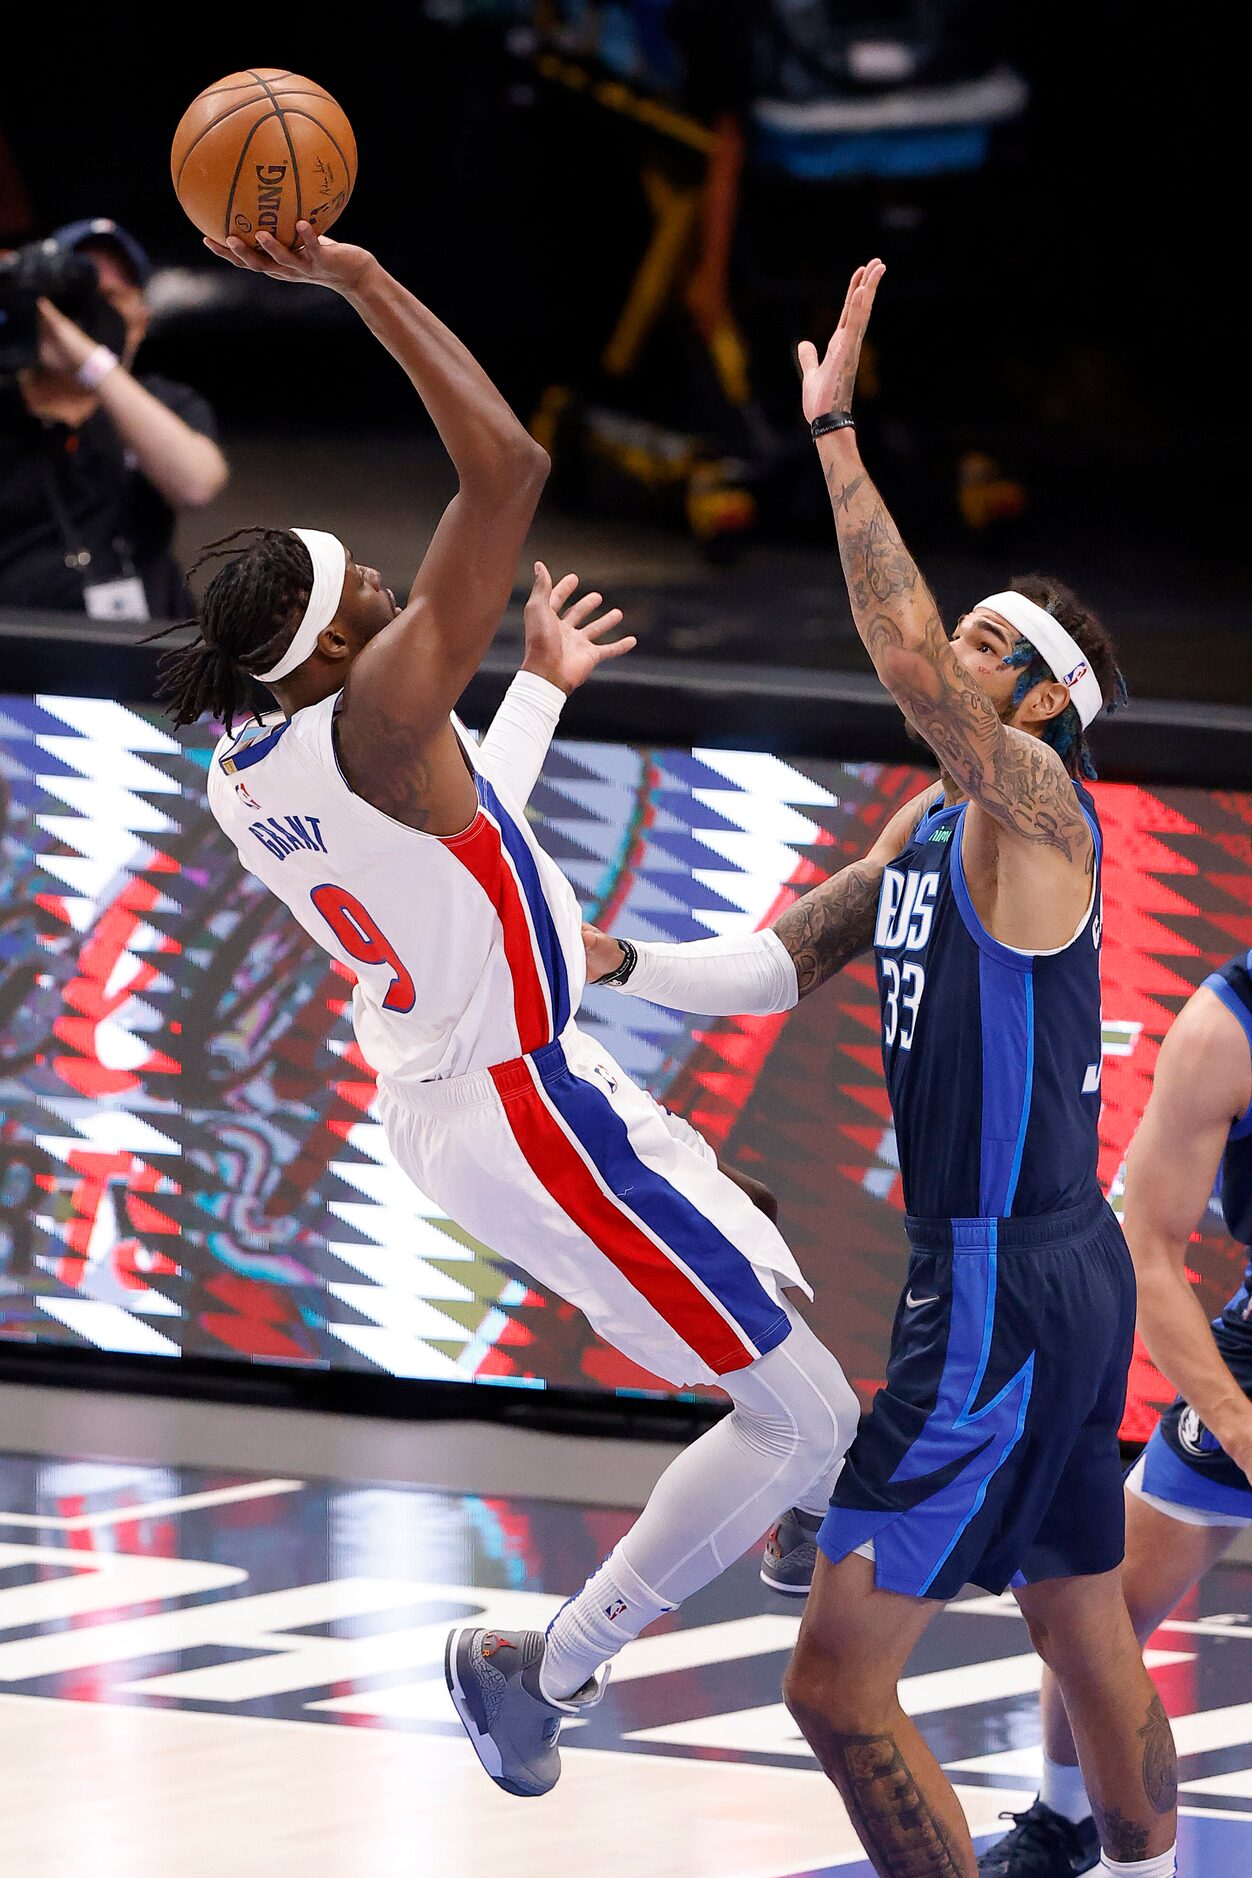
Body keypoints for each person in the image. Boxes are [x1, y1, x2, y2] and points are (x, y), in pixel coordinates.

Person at [159, 216, 861, 1802]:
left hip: (478, 1096)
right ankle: (536, 1667)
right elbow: (509, 471)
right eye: (383, 599)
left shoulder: (255, 755)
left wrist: (534, 690)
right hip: (522, 1101)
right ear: (341, 649)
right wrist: (354, 277)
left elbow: (461, 842)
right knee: (806, 1403)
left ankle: (790, 1499)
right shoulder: (380, 714)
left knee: (754, 1264)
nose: (413, 598)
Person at [584, 261, 1177, 1877]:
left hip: (995, 1281)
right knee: (1072, 1600)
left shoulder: (1041, 800)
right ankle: (1137, 1850)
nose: (942, 649)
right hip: (1055, 1275)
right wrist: (622, 962)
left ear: (1045, 699)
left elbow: (907, 663)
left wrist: (834, 434)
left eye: (984, 641)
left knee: (836, 1684)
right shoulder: (935, 825)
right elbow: (787, 956)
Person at [977, 951, 1252, 1875]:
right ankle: (1063, 1823)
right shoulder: (1228, 1024)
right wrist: (1242, 1426)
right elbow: (1147, 1251)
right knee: (1092, 1616)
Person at [0, 216, 229, 620]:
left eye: (110, 298)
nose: (90, 314)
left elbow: (197, 485)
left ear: (140, 322)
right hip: (18, 654)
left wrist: (90, 362)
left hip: (138, 656)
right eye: (75, 297)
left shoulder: (164, 401)